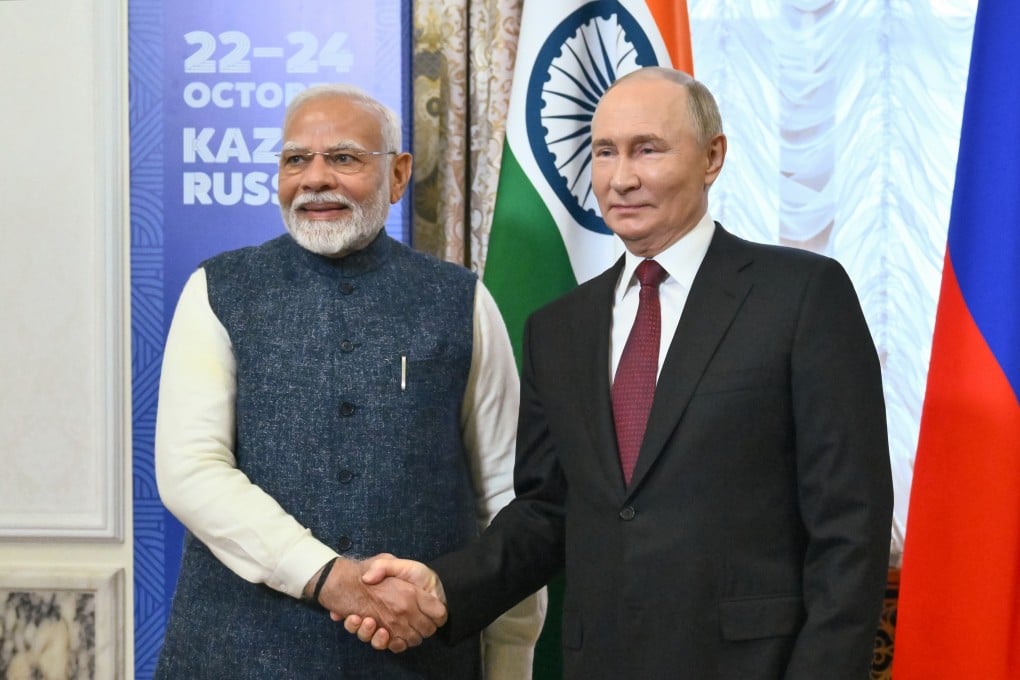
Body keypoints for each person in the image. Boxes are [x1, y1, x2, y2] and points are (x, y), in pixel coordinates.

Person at [344, 67, 894, 680]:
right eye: (604, 152)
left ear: (712, 158)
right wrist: (442, 588)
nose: (621, 177)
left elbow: (850, 523)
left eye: (647, 149)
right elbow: (547, 510)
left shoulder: (802, 296)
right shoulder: (559, 327)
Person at [153, 83, 545, 679]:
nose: (314, 179)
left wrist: (511, 660)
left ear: (398, 175)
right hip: (236, 656)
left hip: (421, 662)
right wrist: (330, 578)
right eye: (294, 160)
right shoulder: (217, 290)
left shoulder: (460, 300)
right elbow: (190, 470)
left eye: (342, 158)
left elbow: (505, 496)